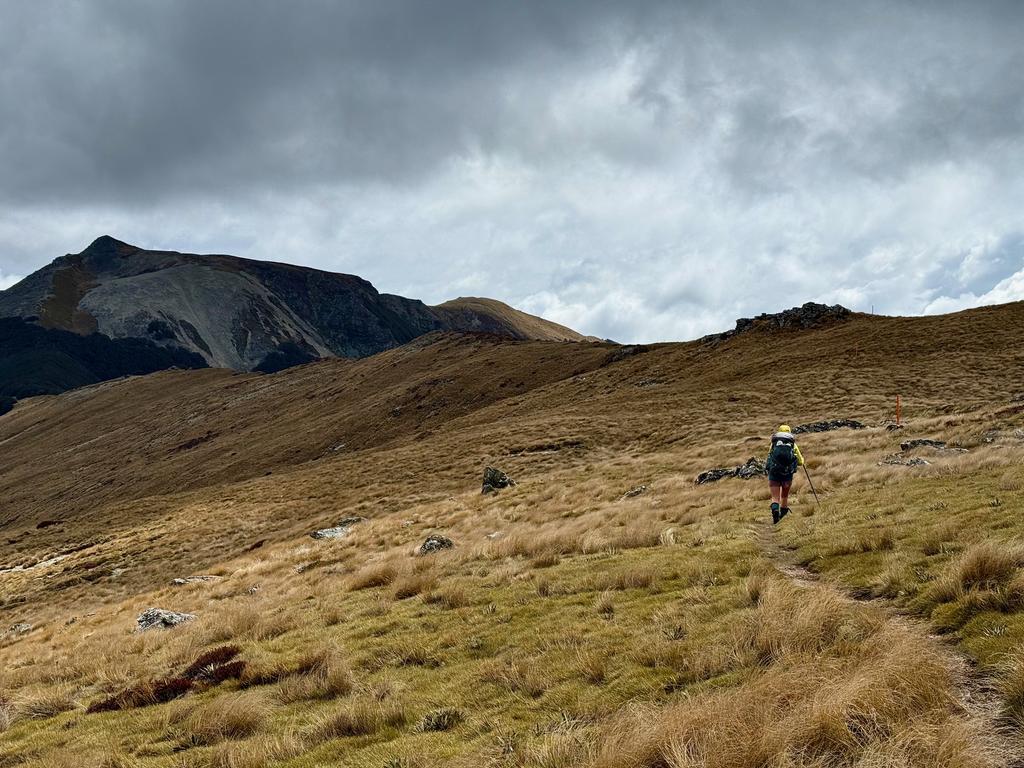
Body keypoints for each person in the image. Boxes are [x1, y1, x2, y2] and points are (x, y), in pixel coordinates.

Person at [765, 424, 804, 524]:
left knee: (775, 497)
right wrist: (801, 461)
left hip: (774, 473)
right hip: (787, 474)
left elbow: (769, 457)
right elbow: (800, 462)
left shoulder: (774, 444)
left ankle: (775, 511)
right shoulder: (793, 445)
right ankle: (782, 515)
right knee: (784, 496)